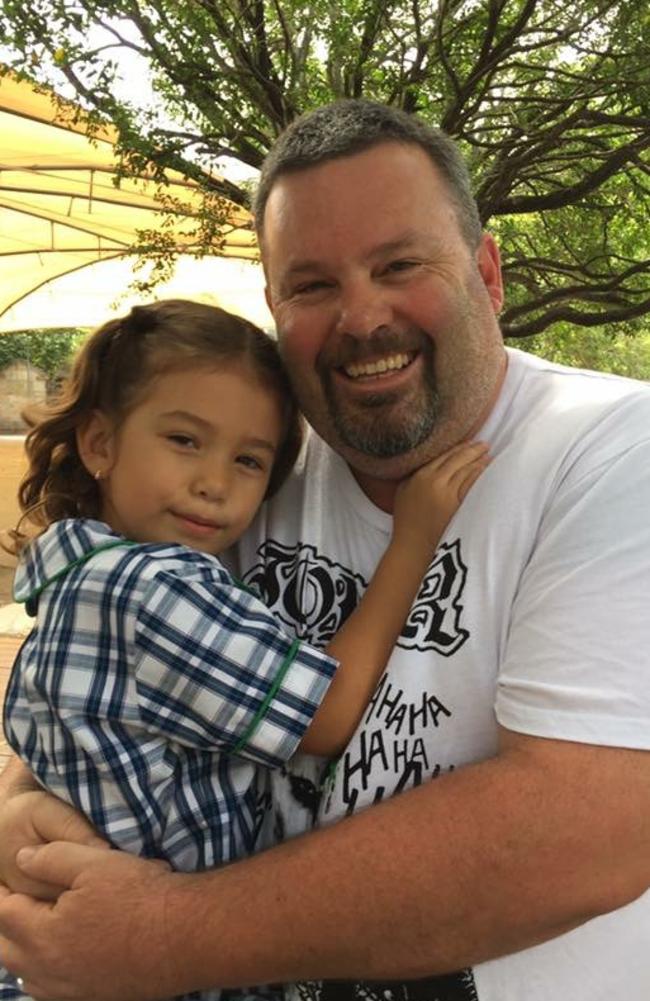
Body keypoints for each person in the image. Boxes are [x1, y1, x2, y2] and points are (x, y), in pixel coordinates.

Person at [0, 98, 649, 1001]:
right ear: (274, 310)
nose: (360, 315)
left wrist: (164, 935)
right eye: (311, 285)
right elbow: (111, 686)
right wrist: (21, 812)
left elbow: (589, 831)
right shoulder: (252, 475)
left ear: (488, 273)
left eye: (399, 263)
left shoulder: (614, 450)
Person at [0, 297, 485, 1001]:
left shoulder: (72, 574)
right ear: (100, 443)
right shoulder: (160, 588)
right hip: (165, 967)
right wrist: (412, 541)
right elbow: (323, 719)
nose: (215, 482)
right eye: (185, 440)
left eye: (249, 460)